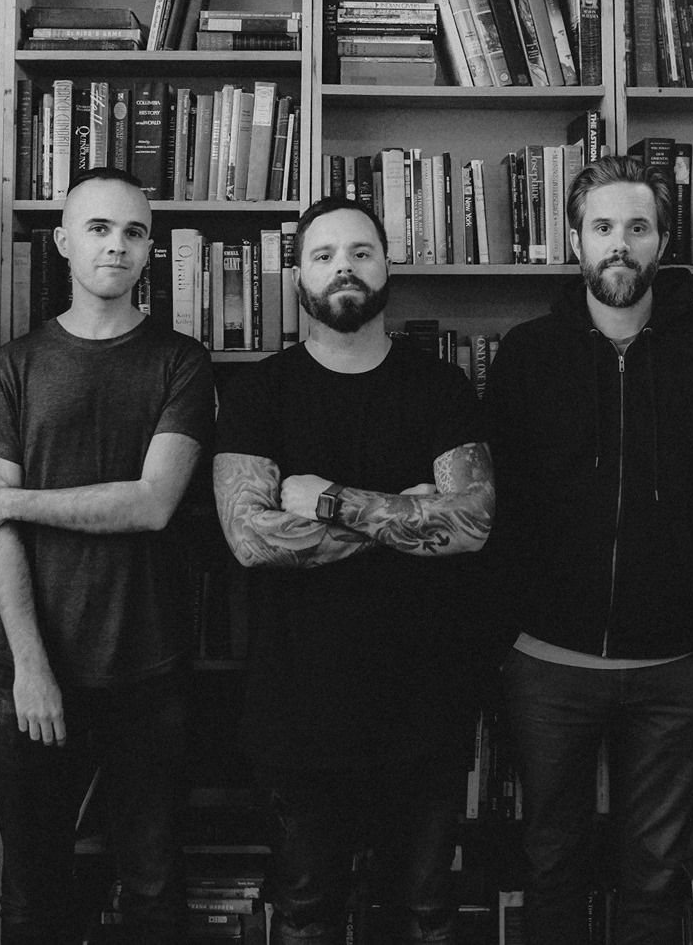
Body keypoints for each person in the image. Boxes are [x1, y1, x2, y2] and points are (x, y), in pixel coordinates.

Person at [482, 155, 693, 945]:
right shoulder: (526, 354)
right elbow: (494, 506)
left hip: (674, 667)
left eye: (636, 227)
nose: (618, 243)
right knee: (550, 862)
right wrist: (501, 638)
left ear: (661, 242)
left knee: (653, 874)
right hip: (545, 663)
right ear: (574, 240)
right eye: (601, 226)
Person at [212, 196, 494, 945]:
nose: (345, 267)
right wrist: (405, 515)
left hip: (425, 709)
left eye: (361, 252)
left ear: (387, 267)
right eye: (324, 254)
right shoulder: (258, 391)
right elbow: (249, 537)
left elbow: (471, 523)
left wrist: (332, 501)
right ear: (298, 275)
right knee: (307, 917)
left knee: (426, 916)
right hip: (297, 715)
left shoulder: (441, 387)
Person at [0, 167, 213, 945]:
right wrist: (31, 666)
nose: (117, 245)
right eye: (99, 228)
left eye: (133, 232)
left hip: (147, 669)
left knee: (155, 888)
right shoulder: (13, 365)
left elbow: (153, 501)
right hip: (27, 669)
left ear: (149, 248)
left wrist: (17, 500)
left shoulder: (181, 360)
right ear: (64, 242)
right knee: (33, 894)